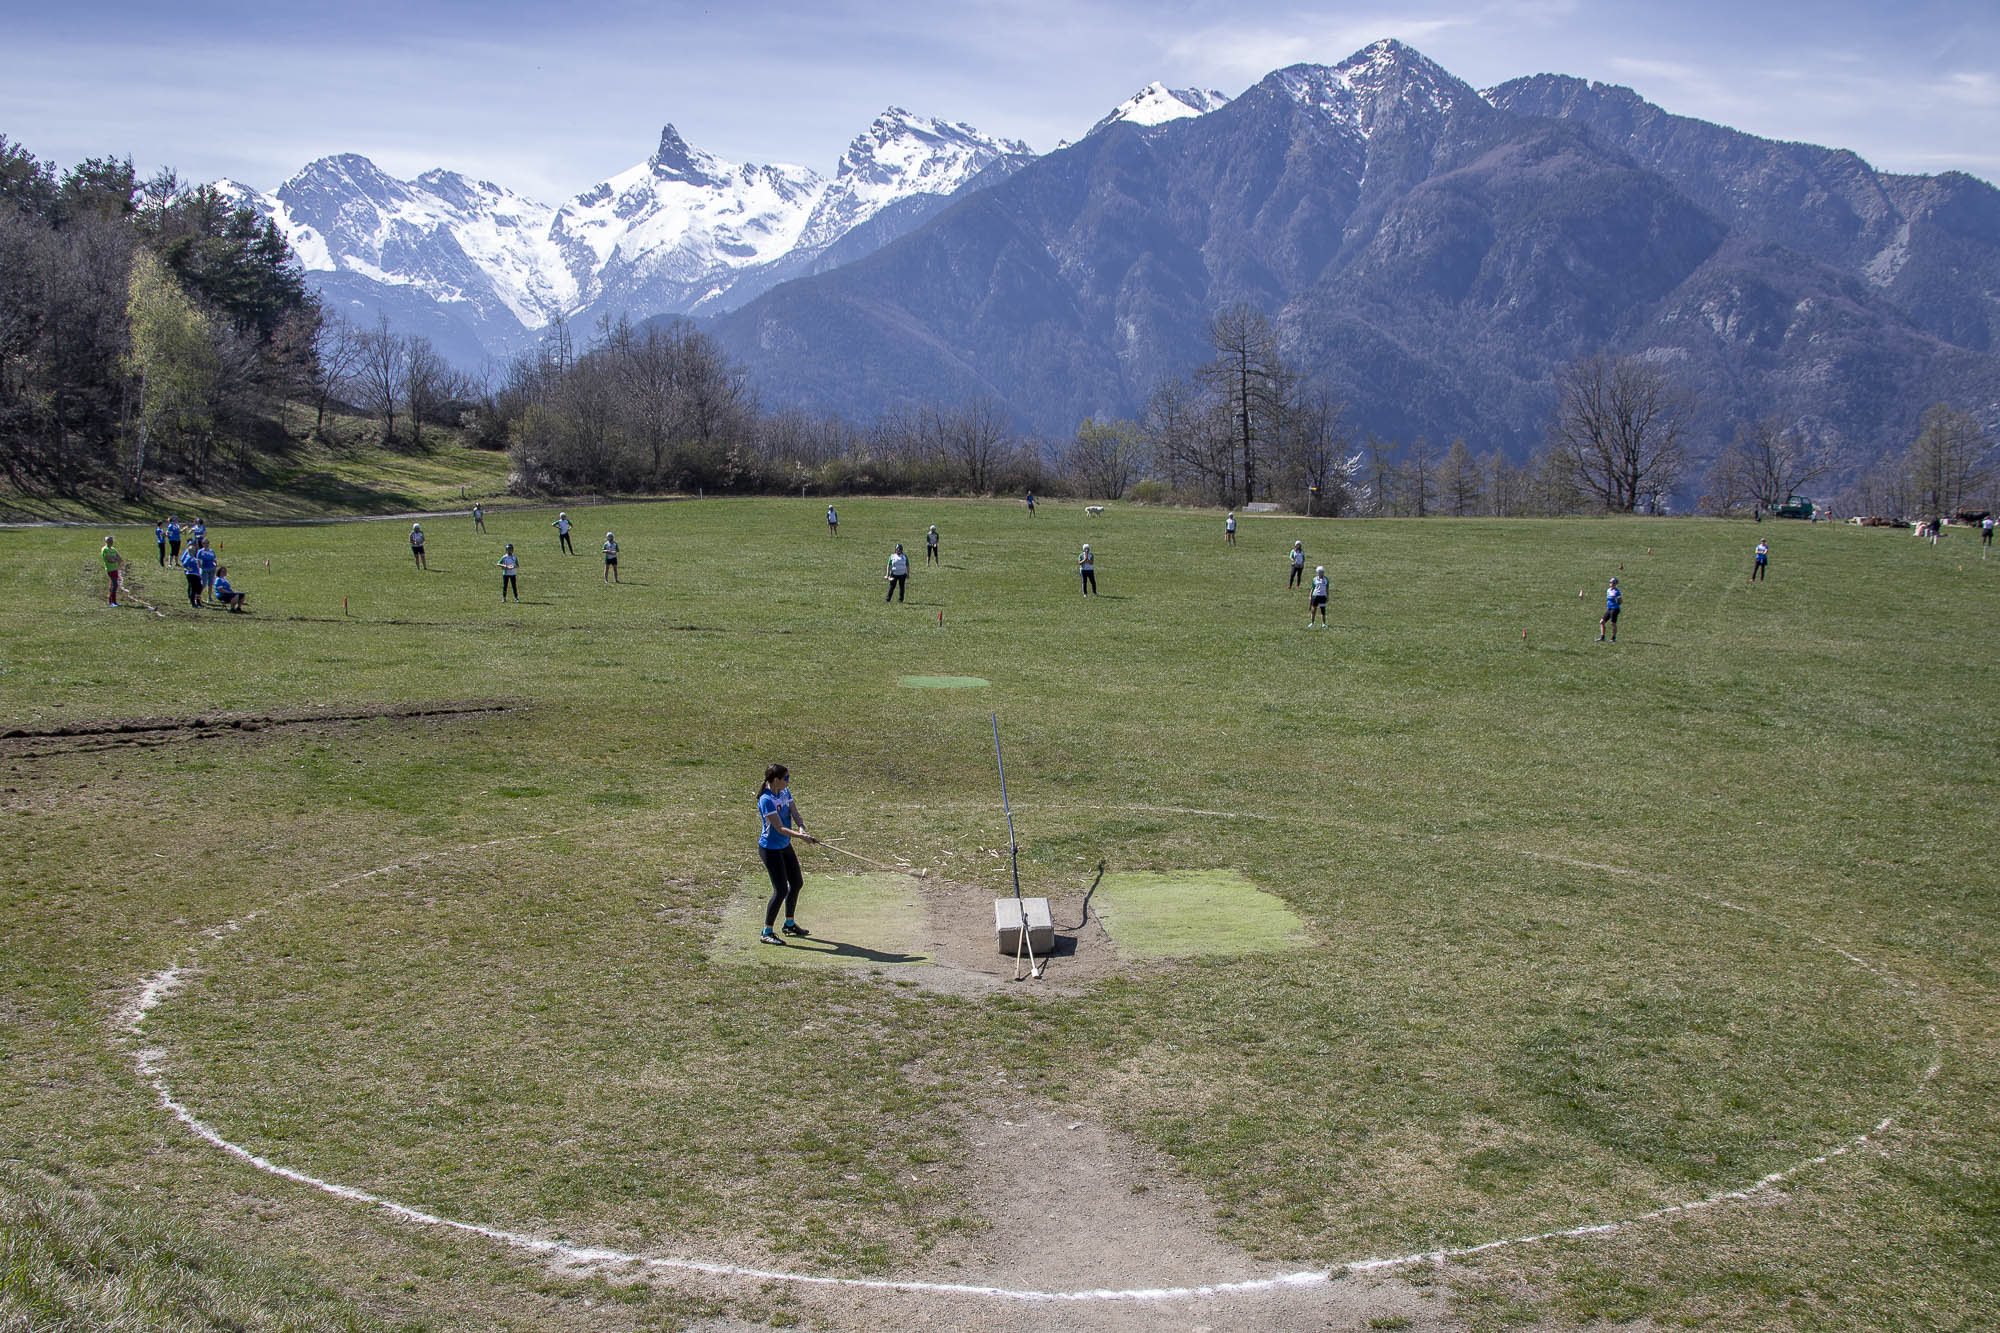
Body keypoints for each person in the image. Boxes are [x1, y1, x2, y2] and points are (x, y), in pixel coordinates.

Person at [755, 762, 817, 944]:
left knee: (796, 883)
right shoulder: (766, 800)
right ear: (776, 780)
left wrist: (802, 828)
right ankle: (767, 931)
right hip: (770, 849)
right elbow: (779, 827)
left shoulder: (784, 792)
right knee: (781, 889)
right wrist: (800, 837)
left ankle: (789, 923)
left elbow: (794, 813)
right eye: (786, 778)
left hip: (785, 846)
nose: (788, 781)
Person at [99, 535, 123, 606]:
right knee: (115, 585)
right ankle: (111, 602)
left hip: (115, 569)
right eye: (110, 541)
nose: (112, 542)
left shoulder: (113, 549)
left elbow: (120, 559)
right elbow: (110, 560)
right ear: (107, 541)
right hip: (110, 569)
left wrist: (114, 558)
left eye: (112, 541)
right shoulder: (105, 549)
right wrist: (115, 558)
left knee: (113, 585)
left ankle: (114, 601)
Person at [180, 541, 203, 609]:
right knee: (193, 588)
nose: (194, 551)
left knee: (199, 588)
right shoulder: (189, 557)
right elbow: (184, 564)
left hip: (196, 574)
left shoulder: (194, 557)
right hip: (191, 574)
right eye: (192, 550)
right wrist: (188, 568)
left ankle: (198, 601)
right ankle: (193, 602)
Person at [1598, 577, 1621, 642]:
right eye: (1610, 582)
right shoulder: (1608, 590)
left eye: (1613, 583)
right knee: (1602, 622)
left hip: (1615, 609)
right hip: (1609, 608)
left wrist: (1615, 605)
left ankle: (1613, 638)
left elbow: (1620, 601)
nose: (1611, 584)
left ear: (1615, 584)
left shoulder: (1617, 592)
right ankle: (1602, 637)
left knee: (1612, 623)